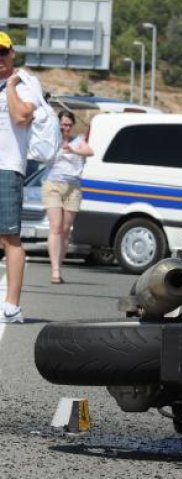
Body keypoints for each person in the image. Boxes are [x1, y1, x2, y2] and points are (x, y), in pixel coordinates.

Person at [0, 31, 37, 324]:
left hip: (7, 168)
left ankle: (11, 306)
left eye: (2, 53)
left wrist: (10, 86)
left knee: (10, 237)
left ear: (12, 53)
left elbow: (22, 117)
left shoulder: (24, 83)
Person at [42, 110, 93, 284]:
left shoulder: (78, 141)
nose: (66, 128)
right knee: (55, 227)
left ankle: (58, 264)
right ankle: (55, 270)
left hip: (73, 187)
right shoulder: (52, 141)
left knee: (65, 230)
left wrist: (71, 148)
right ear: (58, 125)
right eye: (63, 124)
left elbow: (89, 151)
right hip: (53, 185)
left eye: (69, 125)